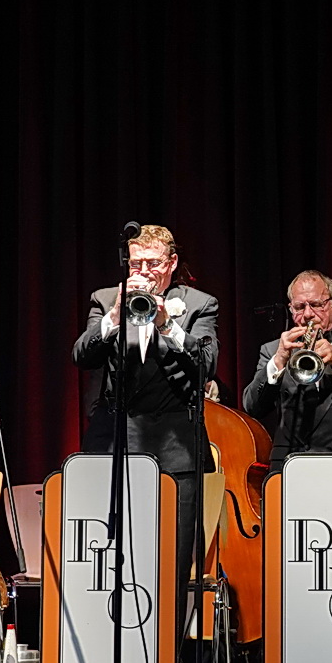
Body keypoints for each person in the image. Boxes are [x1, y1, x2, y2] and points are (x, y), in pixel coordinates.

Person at [72, 223, 218, 630]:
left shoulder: (200, 304)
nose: (143, 272)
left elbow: (207, 364)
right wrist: (114, 318)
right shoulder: (105, 298)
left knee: (172, 562)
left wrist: (166, 324)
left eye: (152, 263)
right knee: (111, 556)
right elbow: (81, 355)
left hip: (176, 449)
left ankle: (166, 661)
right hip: (115, 441)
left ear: (171, 263)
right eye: (136, 263)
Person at [242, 270, 332, 466]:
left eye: (316, 305)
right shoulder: (273, 350)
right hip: (291, 463)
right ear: (291, 309)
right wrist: (278, 361)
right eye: (299, 307)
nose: (308, 314)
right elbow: (252, 407)